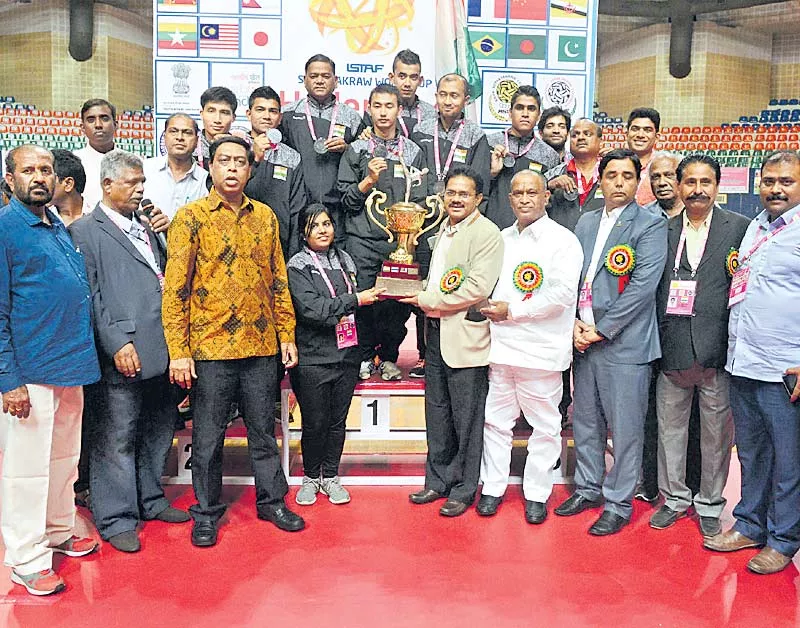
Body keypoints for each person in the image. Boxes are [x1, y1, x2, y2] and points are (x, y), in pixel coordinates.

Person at [162, 136, 303, 547]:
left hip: (260, 346)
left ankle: (272, 500)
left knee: (264, 432)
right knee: (207, 438)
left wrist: (286, 334)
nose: (232, 169)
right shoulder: (190, 218)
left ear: (250, 169)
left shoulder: (266, 217)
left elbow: (278, 279)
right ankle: (205, 511)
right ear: (210, 166)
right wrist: (179, 350)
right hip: (210, 349)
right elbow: (175, 290)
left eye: (240, 162)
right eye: (224, 160)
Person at [69, 150, 190, 553]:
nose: (141, 190)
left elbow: (164, 278)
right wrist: (116, 342)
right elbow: (92, 294)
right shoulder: (86, 231)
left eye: (143, 183)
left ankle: (150, 498)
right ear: (107, 185)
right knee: (116, 436)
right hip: (122, 349)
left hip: (161, 344)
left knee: (158, 429)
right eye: (132, 183)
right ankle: (116, 516)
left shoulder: (148, 225)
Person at [0, 145, 101, 596]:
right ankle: (24, 555)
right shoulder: (6, 228)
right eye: (28, 170)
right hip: (29, 371)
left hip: (68, 363)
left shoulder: (52, 222)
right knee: (26, 468)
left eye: (45, 170)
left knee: (63, 458)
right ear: (10, 179)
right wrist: (9, 380)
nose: (38, 177)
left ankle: (58, 529)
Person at [554, 148, 667, 536]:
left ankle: (619, 501)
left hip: (624, 344)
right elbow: (570, 278)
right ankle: (587, 488)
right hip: (583, 340)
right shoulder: (585, 222)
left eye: (627, 176)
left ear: (638, 182)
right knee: (585, 422)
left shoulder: (649, 224)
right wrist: (572, 325)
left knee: (625, 427)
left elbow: (642, 288)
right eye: (612, 175)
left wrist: (602, 329)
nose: (619, 182)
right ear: (600, 180)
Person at [704, 150, 800, 575]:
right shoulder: (756, 227)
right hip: (743, 361)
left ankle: (783, 539)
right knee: (753, 455)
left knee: (788, 461)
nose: (776, 189)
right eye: (769, 181)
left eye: (787, 182)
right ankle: (750, 525)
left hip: (785, 368)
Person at [650, 154, 749, 538]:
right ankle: (674, 499)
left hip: (717, 351)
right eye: (689, 182)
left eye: (705, 182)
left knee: (716, 437)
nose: (697, 190)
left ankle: (709, 502)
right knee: (669, 433)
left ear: (717, 186)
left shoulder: (738, 229)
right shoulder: (662, 231)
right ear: (679, 187)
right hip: (672, 348)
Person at [478, 170, 582, 523]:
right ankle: (492, 488)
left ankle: (537, 493)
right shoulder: (500, 239)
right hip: (501, 349)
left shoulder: (563, 241)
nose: (524, 199)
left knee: (545, 427)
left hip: (541, 352)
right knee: (495, 423)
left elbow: (563, 295)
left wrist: (515, 311)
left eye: (532, 192)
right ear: (509, 199)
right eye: (518, 193)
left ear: (545, 197)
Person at [403, 166, 503, 517]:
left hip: (466, 340)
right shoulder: (442, 230)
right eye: (451, 193)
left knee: (467, 420)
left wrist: (426, 301)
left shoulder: (487, 233)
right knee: (438, 414)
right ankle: (437, 480)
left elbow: (477, 288)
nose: (456, 199)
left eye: (464, 194)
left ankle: (463, 488)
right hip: (435, 337)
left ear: (478, 199)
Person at [286, 204, 385, 505]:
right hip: (314, 357)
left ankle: (330, 476)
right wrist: (355, 299)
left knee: (337, 422)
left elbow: (352, 308)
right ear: (304, 232)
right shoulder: (297, 266)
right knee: (314, 422)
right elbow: (312, 310)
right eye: (315, 225)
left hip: (346, 355)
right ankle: (310, 478)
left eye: (327, 223)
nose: (323, 230)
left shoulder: (345, 259)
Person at [338, 83, 428, 382]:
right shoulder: (357, 149)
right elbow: (345, 199)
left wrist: (410, 237)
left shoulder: (413, 151)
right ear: (369, 108)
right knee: (364, 299)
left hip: (399, 243)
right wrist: (368, 180)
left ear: (399, 110)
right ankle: (364, 356)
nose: (383, 112)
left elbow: (419, 200)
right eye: (378, 106)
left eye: (390, 106)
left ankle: (389, 356)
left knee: (395, 303)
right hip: (361, 239)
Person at [544, 118, 605, 426]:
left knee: (591, 340)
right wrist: (547, 187)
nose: (580, 138)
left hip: (600, 272)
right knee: (558, 340)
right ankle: (557, 410)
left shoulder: (609, 176)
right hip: (559, 270)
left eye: (587, 134)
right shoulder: (553, 175)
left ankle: (590, 413)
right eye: (575, 134)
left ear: (599, 141)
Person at [281, 54, 365, 244]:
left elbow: (362, 162)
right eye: (314, 76)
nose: (319, 80)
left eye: (326, 76)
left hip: (338, 208)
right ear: (304, 80)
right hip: (298, 205)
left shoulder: (351, 117)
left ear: (335, 81)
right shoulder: (288, 114)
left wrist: (347, 149)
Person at [244, 86, 307, 262]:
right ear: (249, 114)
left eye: (273, 111)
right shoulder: (236, 148)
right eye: (260, 110)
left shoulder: (292, 157)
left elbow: (297, 207)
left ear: (279, 118)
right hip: (240, 237)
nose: (266, 116)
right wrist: (254, 157)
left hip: (279, 243)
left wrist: (294, 255)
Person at [485, 85, 560, 230]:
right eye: (519, 108)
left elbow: (550, 203)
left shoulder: (549, 155)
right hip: (491, 230)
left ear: (538, 116)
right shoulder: (489, 143)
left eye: (531, 109)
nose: (525, 114)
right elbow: (475, 190)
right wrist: (492, 173)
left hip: (532, 233)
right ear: (509, 113)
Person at [143, 113, 208, 220]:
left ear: (196, 141)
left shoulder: (205, 180)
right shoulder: (145, 169)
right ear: (164, 137)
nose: (179, 138)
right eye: (173, 131)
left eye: (187, 133)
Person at [362, 49, 437, 137]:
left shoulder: (430, 113)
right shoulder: (376, 111)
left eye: (413, 77)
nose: (407, 84)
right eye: (402, 76)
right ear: (392, 77)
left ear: (420, 81)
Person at [74, 98, 118, 212]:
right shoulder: (74, 161)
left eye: (104, 118)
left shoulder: (133, 161)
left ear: (115, 125)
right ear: (83, 128)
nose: (98, 125)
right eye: (91, 120)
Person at [625, 107, 661, 206]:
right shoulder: (616, 164)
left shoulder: (663, 166)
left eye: (647, 130)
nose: (640, 135)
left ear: (657, 137)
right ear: (627, 134)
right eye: (635, 129)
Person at [196, 86, 239, 169]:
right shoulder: (190, 146)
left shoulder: (241, 149)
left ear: (233, 117)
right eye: (211, 111)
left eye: (224, 113)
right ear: (202, 113)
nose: (217, 119)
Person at [50, 149, 87, 226]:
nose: (41, 183)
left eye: (49, 177)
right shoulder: (41, 217)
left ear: (68, 184)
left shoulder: (102, 216)